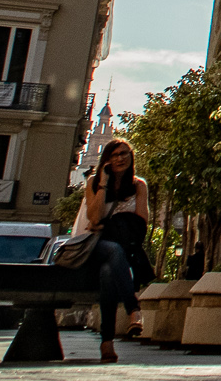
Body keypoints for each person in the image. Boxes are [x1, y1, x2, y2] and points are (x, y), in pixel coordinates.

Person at [74, 137, 153, 363]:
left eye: (124, 154)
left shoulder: (139, 186)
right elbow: (94, 218)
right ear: (106, 160)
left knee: (110, 272)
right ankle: (134, 309)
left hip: (121, 249)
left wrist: (109, 226)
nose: (120, 159)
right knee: (112, 250)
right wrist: (104, 183)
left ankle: (107, 343)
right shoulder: (94, 182)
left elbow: (140, 225)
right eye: (115, 155)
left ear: (131, 157)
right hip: (93, 245)